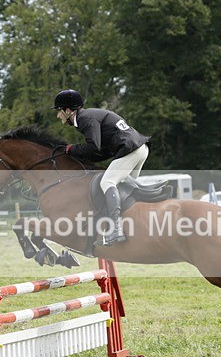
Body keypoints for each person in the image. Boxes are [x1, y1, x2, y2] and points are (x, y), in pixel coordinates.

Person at [53, 89, 150, 246]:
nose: (58, 116)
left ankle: (115, 229)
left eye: (59, 111)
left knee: (107, 183)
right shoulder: (88, 115)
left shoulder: (84, 118)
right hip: (139, 148)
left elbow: (94, 146)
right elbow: (101, 150)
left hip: (130, 149)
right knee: (125, 189)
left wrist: (72, 150)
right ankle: (137, 226)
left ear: (68, 110)